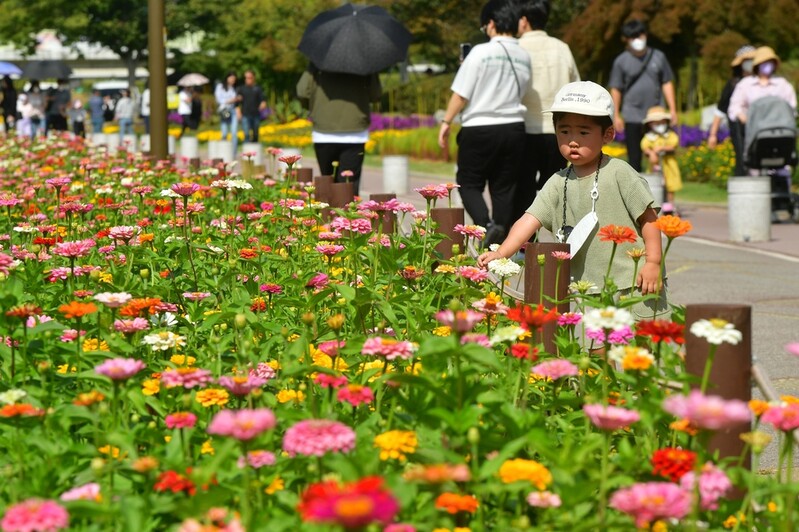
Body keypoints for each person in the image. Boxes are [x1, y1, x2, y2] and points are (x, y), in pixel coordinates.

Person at [478, 81, 664, 310]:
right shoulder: (557, 181)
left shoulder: (620, 173)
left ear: (607, 135)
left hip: (634, 281)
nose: (572, 141)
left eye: (583, 132)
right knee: (596, 345)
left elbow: (649, 219)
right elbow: (529, 220)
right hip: (588, 287)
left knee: (641, 342)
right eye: (564, 131)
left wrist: (653, 262)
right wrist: (501, 253)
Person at [438, 0, 531, 247]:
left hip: (479, 126)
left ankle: (487, 226)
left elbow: (461, 94)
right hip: (514, 127)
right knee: (504, 187)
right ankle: (498, 236)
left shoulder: (480, 52)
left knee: (468, 183)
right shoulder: (524, 55)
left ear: (491, 23)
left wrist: (446, 121)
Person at [513, 0, 580, 226]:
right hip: (557, 132)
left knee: (523, 189)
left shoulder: (516, 48)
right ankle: (557, 243)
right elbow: (575, 86)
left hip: (525, 129)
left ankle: (524, 245)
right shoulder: (562, 48)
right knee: (556, 190)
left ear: (523, 20)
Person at [297, 65, 381, 196]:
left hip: (324, 132)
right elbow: (375, 94)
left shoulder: (318, 60)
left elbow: (302, 91)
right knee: (348, 187)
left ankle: (327, 215)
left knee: (327, 184)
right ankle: (347, 215)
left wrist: (314, 108)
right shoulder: (365, 60)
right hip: (355, 131)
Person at [608, 19, 677, 172]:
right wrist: (616, 115)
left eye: (639, 35)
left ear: (645, 35)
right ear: (626, 40)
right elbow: (616, 89)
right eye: (633, 37)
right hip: (632, 114)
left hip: (656, 115)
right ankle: (635, 192)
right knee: (634, 157)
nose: (637, 40)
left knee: (659, 155)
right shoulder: (621, 61)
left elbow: (666, 82)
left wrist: (672, 109)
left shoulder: (658, 57)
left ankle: (658, 191)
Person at [707, 45, 756, 176]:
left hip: (759, 128)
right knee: (742, 160)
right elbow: (721, 110)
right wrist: (713, 135)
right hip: (739, 130)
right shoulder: (733, 84)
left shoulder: (763, 81)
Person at [727, 46, 797, 128]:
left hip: (779, 129)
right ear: (757, 64)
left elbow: (791, 107)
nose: (767, 64)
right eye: (764, 62)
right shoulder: (745, 84)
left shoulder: (782, 84)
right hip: (753, 130)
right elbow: (735, 106)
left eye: (770, 62)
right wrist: (744, 118)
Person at [641, 106, 681, 214]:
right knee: (655, 186)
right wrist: (651, 152)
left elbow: (673, 145)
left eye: (662, 122)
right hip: (655, 166)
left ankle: (670, 206)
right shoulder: (649, 137)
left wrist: (663, 148)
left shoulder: (670, 135)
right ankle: (655, 206)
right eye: (656, 122)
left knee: (670, 186)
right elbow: (645, 147)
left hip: (668, 165)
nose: (660, 125)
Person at [237, 70, 266, 143]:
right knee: (246, 134)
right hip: (245, 115)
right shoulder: (241, 89)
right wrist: (238, 112)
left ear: (253, 78)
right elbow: (237, 103)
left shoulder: (258, 88)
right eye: (246, 78)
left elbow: (263, 100)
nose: (247, 79)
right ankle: (246, 152)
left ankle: (254, 151)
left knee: (255, 134)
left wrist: (263, 104)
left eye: (249, 77)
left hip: (255, 114)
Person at [215, 72, 240, 154]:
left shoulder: (235, 88)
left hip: (233, 111)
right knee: (224, 133)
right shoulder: (220, 87)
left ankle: (233, 153)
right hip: (224, 111)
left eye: (234, 79)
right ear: (227, 78)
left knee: (234, 132)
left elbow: (237, 101)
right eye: (231, 78)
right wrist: (229, 101)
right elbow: (218, 100)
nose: (233, 80)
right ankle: (224, 152)